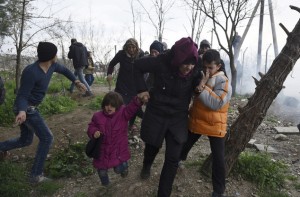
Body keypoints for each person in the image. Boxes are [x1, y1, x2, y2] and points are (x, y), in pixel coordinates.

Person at [0, 42, 87, 183]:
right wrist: (22, 111)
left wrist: (76, 82)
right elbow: (22, 95)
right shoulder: (31, 71)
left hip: (30, 108)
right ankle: (36, 175)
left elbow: (65, 70)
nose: (57, 56)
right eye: (55, 53)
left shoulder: (52, 66)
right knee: (47, 138)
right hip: (26, 108)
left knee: (26, 140)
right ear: (51, 56)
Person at [134, 37, 201, 197]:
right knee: (152, 147)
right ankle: (146, 165)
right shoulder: (161, 61)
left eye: (192, 64)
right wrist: (142, 89)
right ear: (177, 58)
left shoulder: (196, 67)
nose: (188, 67)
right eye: (185, 63)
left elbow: (216, 70)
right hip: (157, 111)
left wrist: (200, 85)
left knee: (172, 158)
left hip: (178, 117)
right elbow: (137, 66)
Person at [179, 49, 232, 197]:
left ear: (219, 66)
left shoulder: (223, 81)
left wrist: (201, 88)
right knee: (185, 144)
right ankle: (178, 160)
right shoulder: (201, 75)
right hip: (197, 120)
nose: (207, 70)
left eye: (211, 67)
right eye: (205, 67)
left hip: (215, 125)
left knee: (218, 159)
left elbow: (216, 103)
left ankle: (218, 190)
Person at [86, 91, 143, 186]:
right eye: (107, 104)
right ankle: (106, 184)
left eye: (112, 105)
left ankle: (124, 168)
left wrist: (137, 100)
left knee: (118, 169)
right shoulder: (97, 116)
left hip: (117, 150)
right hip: (102, 151)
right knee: (102, 172)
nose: (109, 107)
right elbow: (91, 127)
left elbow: (131, 109)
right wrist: (93, 132)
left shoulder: (123, 114)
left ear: (118, 106)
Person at [106, 38, 144, 133]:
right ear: (126, 47)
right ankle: (117, 125)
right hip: (122, 85)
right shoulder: (121, 54)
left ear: (136, 47)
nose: (131, 49)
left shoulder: (140, 55)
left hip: (134, 86)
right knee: (120, 105)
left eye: (133, 47)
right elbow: (111, 64)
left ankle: (131, 124)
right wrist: (109, 74)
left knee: (134, 106)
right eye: (129, 47)